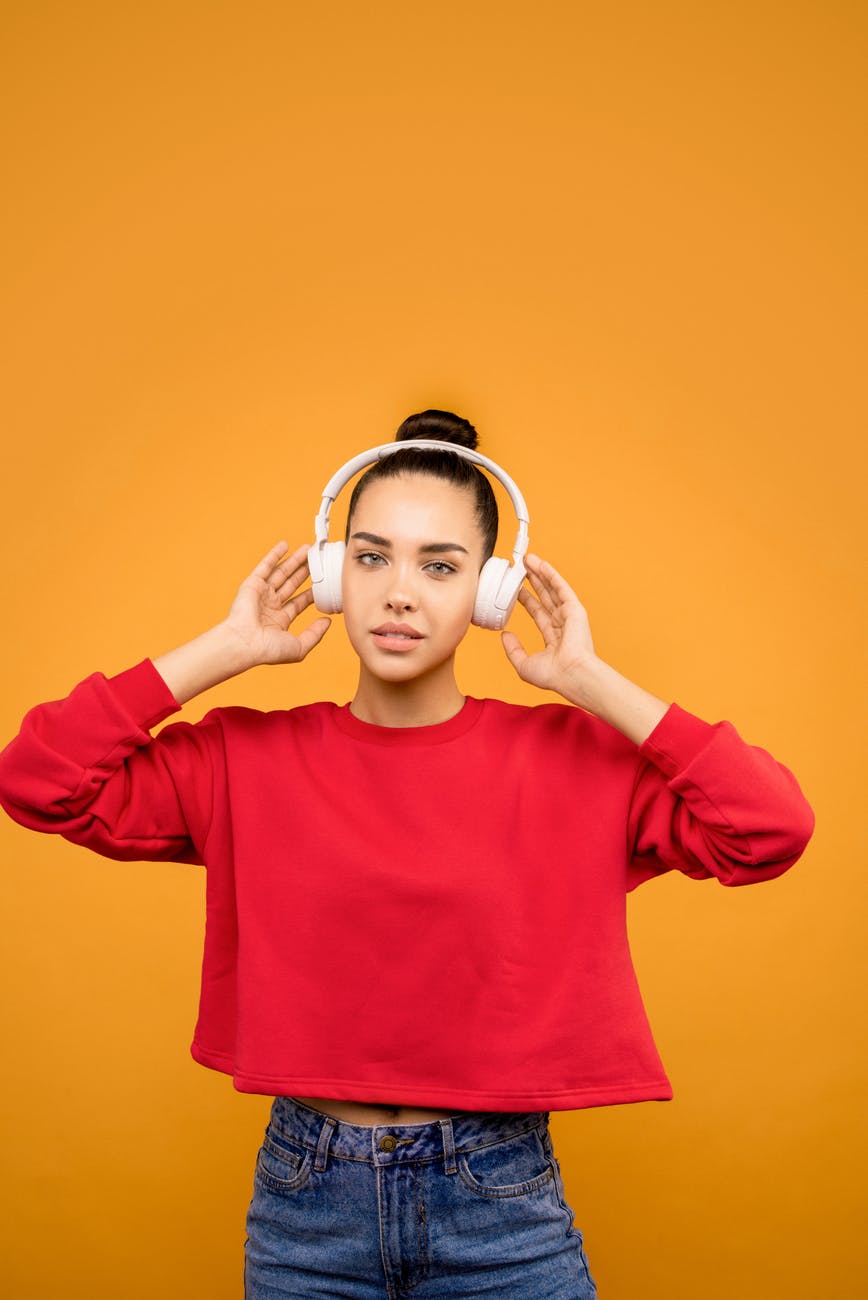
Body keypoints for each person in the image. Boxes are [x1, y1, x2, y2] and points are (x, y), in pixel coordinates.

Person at [0, 409, 814, 1299]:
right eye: (372, 555)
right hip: (306, 1206)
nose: (399, 592)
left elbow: (770, 826)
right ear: (332, 574)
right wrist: (226, 650)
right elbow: (39, 780)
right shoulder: (242, 759)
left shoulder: (572, 764)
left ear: (489, 592)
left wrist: (587, 679)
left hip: (502, 1205)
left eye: (440, 566)